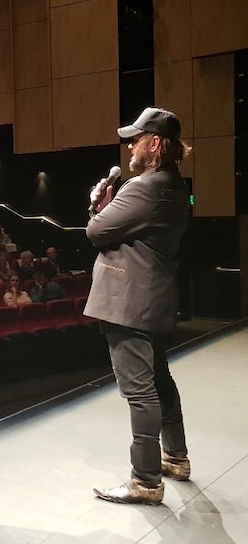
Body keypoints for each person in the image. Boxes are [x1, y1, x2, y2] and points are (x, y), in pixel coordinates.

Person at [87, 107, 191, 506]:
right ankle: (175, 458)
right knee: (159, 380)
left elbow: (97, 232)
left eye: (136, 138)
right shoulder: (175, 185)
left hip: (128, 302)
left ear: (156, 143)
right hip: (156, 299)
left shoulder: (142, 187)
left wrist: (97, 204)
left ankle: (145, 481)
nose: (130, 145)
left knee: (139, 391)